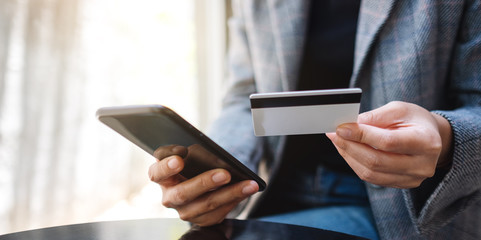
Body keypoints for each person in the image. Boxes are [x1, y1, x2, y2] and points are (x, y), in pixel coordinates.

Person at [148, 1, 481, 239]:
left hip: (406, 212)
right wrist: (215, 170)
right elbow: (245, 95)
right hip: (280, 195)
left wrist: (447, 139)